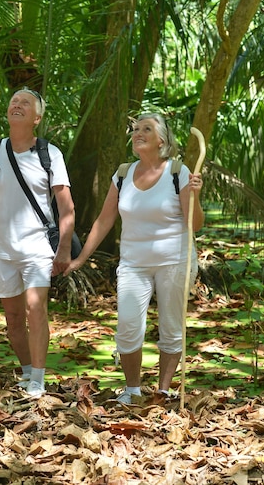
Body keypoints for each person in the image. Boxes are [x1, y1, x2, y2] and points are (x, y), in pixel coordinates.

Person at [65, 113, 204, 404]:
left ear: (162, 140)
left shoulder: (177, 172)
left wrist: (196, 195)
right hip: (133, 263)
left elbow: (196, 224)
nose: (138, 133)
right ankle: (132, 391)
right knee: (128, 327)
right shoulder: (123, 173)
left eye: (146, 129)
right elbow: (104, 221)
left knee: (171, 326)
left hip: (175, 260)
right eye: (135, 129)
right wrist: (79, 259)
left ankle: (164, 391)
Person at [0, 88, 75, 398]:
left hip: (37, 247)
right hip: (2, 247)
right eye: (13, 101)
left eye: (25, 103)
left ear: (36, 118)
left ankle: (38, 378)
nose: (16, 105)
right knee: (12, 319)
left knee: (36, 309)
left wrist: (62, 249)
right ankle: (26, 371)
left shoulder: (50, 154)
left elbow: (66, 207)